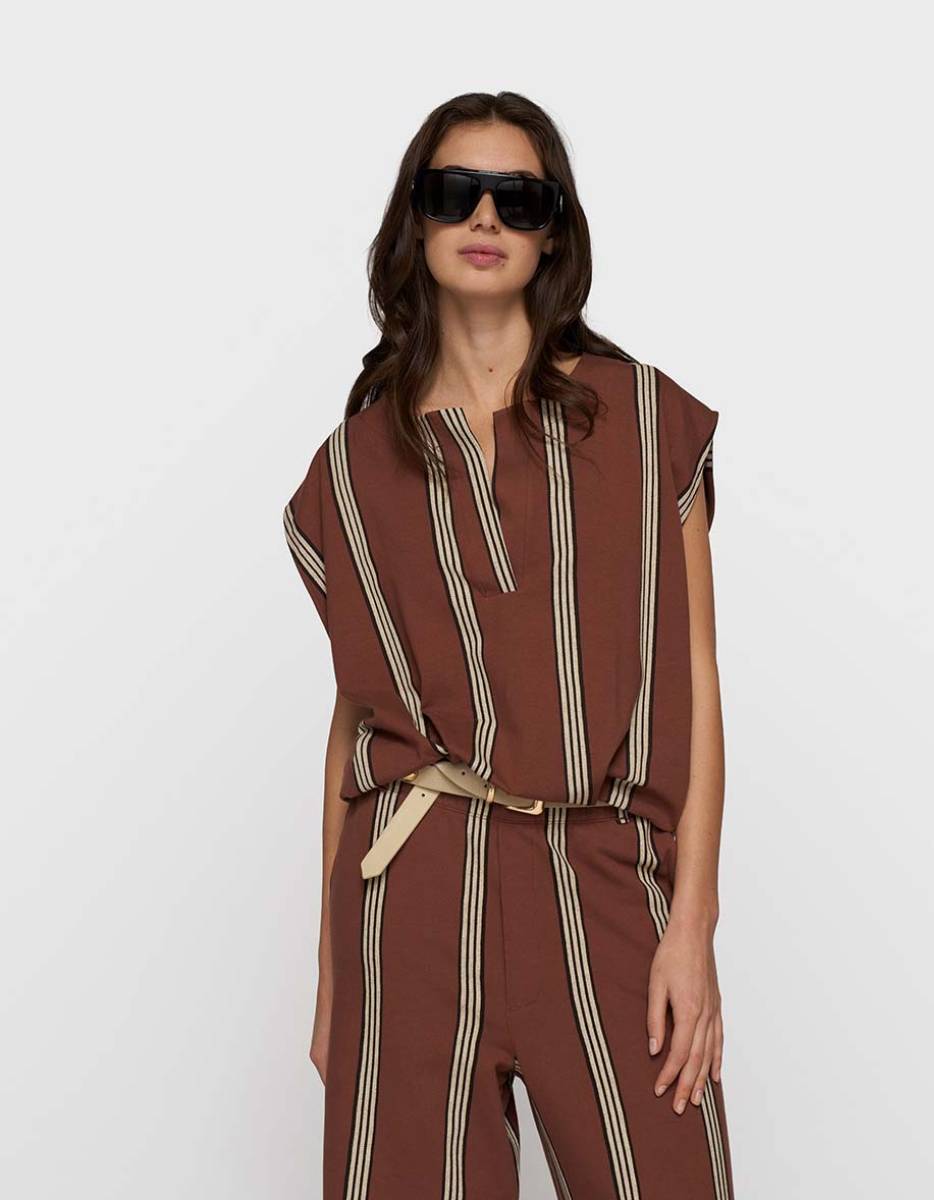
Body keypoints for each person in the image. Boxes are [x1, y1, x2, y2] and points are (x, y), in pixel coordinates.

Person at [283, 90, 734, 1200]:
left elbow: (696, 677)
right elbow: (355, 721)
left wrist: (691, 925)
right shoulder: (351, 467)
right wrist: (333, 976)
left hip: (598, 872)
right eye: (454, 192)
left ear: (550, 234)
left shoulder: (643, 421)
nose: (484, 217)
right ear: (416, 220)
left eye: (517, 198)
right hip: (412, 889)